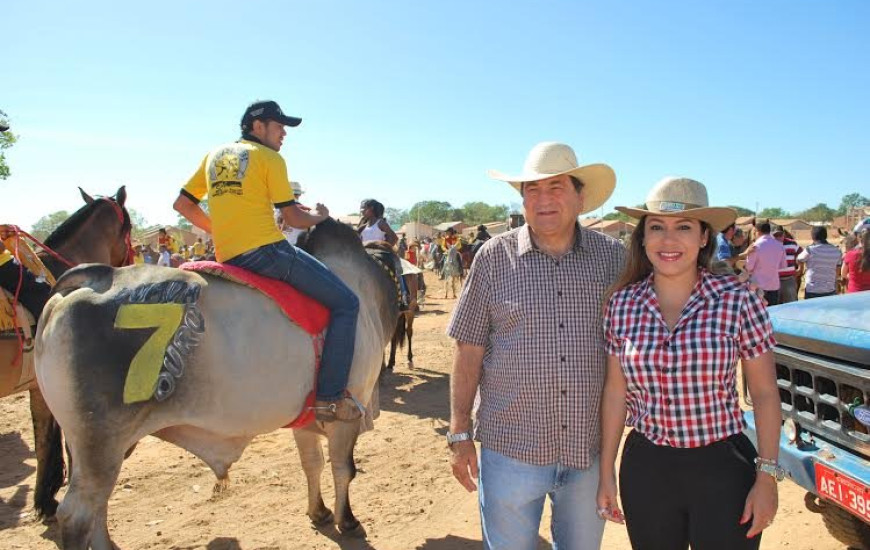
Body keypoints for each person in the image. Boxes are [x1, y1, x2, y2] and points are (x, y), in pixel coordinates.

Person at [448, 142, 624, 549]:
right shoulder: (493, 257)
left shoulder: (613, 260)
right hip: (511, 448)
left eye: (556, 187)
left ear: (581, 197)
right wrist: (459, 433)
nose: (543, 200)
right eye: (532, 190)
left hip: (586, 450)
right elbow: (468, 348)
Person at [598, 177, 781, 550]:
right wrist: (606, 473)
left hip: (723, 469)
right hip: (646, 470)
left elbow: (763, 393)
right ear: (643, 238)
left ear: (703, 237)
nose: (668, 241)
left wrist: (767, 477)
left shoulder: (738, 300)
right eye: (657, 228)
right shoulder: (621, 304)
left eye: (683, 227)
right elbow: (616, 393)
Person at [173, 99, 362, 422]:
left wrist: (220, 232)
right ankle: (329, 398)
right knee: (347, 303)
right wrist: (319, 215)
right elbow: (293, 218)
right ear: (257, 127)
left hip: (229, 254)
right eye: (279, 126)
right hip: (268, 252)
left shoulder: (214, 156)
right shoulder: (269, 158)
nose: (284, 133)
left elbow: (183, 205)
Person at [0, 225, 52, 320]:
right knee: (40, 288)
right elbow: (1, 248)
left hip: (6, 266)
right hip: (5, 266)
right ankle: (48, 320)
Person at [745, 221, 787, 305]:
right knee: (772, 313)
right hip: (774, 285)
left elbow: (749, 267)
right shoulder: (780, 245)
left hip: (757, 287)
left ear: (758, 231)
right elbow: (783, 266)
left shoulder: (755, 246)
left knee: (758, 313)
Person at [797, 226, 842, 299]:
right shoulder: (836, 251)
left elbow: (799, 259)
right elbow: (838, 270)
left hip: (812, 289)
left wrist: (800, 269)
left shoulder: (810, 250)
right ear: (825, 236)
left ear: (813, 237)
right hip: (830, 289)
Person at [773, 225, 803, 304]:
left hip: (789, 279)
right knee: (775, 303)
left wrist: (800, 267)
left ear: (784, 234)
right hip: (774, 280)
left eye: (780, 235)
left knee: (791, 303)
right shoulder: (769, 245)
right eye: (776, 235)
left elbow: (801, 255)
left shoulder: (792, 243)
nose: (778, 237)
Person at [276, 181, 307, 246]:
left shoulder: (277, 209)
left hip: (277, 247)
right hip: (296, 248)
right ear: (299, 194)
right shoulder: (305, 211)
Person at [841, 228, 870, 293]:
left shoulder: (850, 254)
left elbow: (843, 274)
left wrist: (852, 276)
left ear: (858, 239)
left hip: (854, 293)